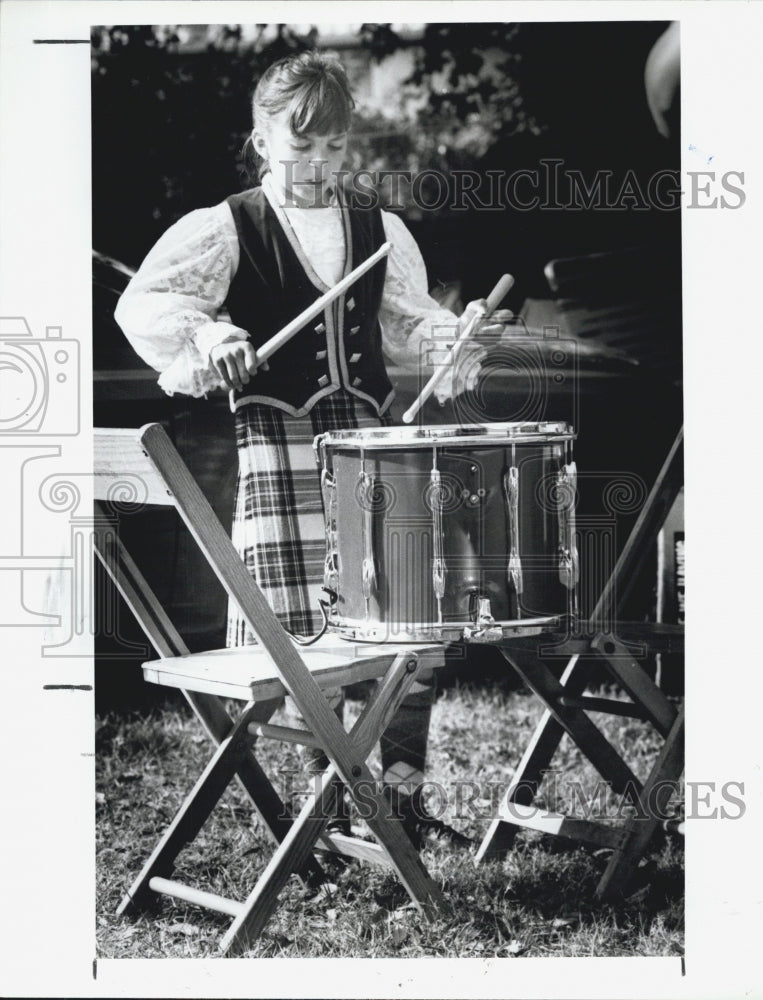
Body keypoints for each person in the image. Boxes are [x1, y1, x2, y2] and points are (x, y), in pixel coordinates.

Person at [115, 50, 510, 852]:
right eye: (301, 149)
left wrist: (452, 334)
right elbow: (146, 307)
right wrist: (213, 333)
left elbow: (409, 322)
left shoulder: (378, 228)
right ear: (262, 142)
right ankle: (319, 817)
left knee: (402, 629)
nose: (320, 166)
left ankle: (394, 803)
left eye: (334, 148)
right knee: (300, 645)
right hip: (278, 457)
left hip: (370, 457)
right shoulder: (224, 228)